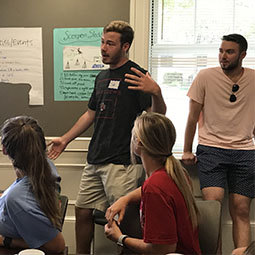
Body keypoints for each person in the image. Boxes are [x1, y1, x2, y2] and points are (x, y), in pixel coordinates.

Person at [48, 20, 166, 254]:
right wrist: (65, 139)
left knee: (125, 218)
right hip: (95, 158)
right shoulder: (101, 76)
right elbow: (90, 113)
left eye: (110, 44)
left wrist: (156, 93)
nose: (103, 48)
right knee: (82, 210)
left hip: (122, 162)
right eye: (102, 42)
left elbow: (157, 116)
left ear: (125, 46)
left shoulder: (137, 75)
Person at [182, 33, 255, 249]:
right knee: (212, 207)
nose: (223, 56)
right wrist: (186, 149)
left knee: (241, 209)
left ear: (242, 55)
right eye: (221, 51)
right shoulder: (205, 76)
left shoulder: (253, 79)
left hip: (245, 151)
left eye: (229, 52)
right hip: (211, 149)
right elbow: (192, 118)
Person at [104, 112, 201, 255]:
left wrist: (120, 238)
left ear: (139, 142)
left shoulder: (154, 187)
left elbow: (162, 250)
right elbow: (150, 188)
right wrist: (125, 199)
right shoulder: (176, 175)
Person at [0, 116, 65, 253]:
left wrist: (5, 241)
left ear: (4, 150)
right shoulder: (45, 167)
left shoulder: (17, 198)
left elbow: (56, 246)